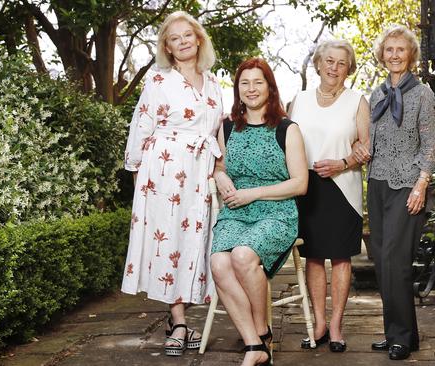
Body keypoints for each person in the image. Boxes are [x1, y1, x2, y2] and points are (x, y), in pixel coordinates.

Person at [120, 11, 223, 357]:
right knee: (168, 243)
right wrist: (139, 180)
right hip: (163, 173)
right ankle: (178, 321)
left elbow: (217, 131)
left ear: (199, 39)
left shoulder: (213, 83)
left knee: (194, 242)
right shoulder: (158, 81)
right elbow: (141, 127)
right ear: (167, 46)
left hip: (200, 173)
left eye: (187, 35)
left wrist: (220, 169)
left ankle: (180, 318)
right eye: (174, 38)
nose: (182, 42)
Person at [210, 58, 308, 366]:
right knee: (218, 262)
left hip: (276, 211)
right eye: (244, 83)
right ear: (237, 89)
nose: (251, 89)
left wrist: (254, 192)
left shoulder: (286, 129)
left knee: (242, 255)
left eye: (258, 82)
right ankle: (255, 344)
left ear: (270, 87)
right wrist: (221, 176)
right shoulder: (227, 127)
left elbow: (300, 184)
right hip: (236, 212)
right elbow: (220, 166)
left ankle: (262, 331)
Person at [288, 39, 370, 353]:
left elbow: (366, 147)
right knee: (313, 256)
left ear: (348, 69)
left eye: (341, 63)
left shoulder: (357, 100)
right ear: (319, 64)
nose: (334, 68)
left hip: (342, 187)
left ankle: (336, 325)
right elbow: (286, 142)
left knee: (340, 257)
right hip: (305, 187)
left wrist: (343, 163)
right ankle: (319, 323)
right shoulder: (300, 100)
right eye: (329, 61)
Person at [364, 25, 435, 361]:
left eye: (401, 49)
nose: (394, 55)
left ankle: (401, 336)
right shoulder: (376, 95)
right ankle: (400, 332)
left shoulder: (423, 94)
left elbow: (431, 144)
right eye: (389, 49)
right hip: (377, 184)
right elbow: (369, 140)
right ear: (382, 55)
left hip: (408, 185)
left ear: (411, 55)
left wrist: (422, 184)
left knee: (397, 261)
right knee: (382, 261)